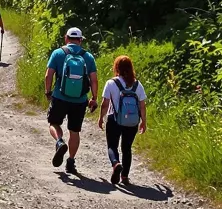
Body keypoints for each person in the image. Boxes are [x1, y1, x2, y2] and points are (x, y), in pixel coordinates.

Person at [45, 27, 99, 176]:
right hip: (80, 100)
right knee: (74, 132)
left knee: (54, 123)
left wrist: (48, 92)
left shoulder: (58, 53)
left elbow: (48, 75)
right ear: (81, 40)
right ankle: (71, 161)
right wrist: (94, 98)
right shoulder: (87, 56)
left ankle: (59, 141)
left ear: (66, 38)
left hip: (60, 97)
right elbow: (94, 80)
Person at [98, 55, 148, 187]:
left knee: (112, 146)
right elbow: (142, 105)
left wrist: (100, 118)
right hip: (132, 122)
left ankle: (116, 164)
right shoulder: (137, 85)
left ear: (116, 68)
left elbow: (105, 103)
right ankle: (124, 176)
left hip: (114, 119)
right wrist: (143, 121)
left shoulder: (111, 83)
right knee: (127, 148)